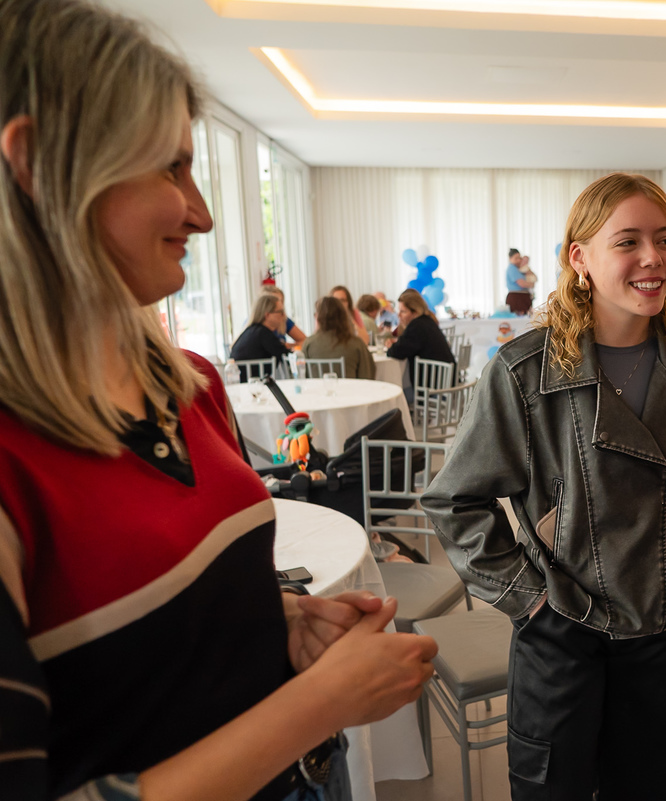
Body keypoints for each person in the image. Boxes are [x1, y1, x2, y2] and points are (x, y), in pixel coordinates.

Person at [0, 2, 438, 799]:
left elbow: (167, 628)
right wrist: (322, 702)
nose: (200, 213)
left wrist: (283, 622)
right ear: (37, 165)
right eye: (169, 168)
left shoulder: (192, 386)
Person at [422, 173, 666, 801]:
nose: (654, 258)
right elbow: (455, 500)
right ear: (581, 259)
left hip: (665, 636)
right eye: (628, 241)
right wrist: (532, 600)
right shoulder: (525, 371)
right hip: (561, 639)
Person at [385, 288, 456, 405]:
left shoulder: (416, 326)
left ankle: (410, 421)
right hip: (445, 383)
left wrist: (393, 345)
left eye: (403, 311)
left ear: (415, 312)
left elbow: (396, 352)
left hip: (433, 389)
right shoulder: (427, 321)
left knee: (394, 396)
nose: (398, 315)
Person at [301, 297, 376, 380]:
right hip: (351, 391)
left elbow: (303, 375)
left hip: (317, 392)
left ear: (318, 318)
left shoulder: (309, 344)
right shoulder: (356, 344)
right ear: (344, 316)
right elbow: (368, 375)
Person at [230, 293, 292, 380]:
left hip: (242, 385)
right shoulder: (263, 334)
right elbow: (288, 358)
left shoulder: (250, 331)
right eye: (280, 312)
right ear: (267, 315)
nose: (284, 316)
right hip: (256, 385)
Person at [505, 247, 534, 314]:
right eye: (516, 258)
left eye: (519, 258)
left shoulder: (521, 268)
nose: (518, 260)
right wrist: (531, 284)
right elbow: (522, 283)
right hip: (516, 298)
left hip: (524, 297)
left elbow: (533, 277)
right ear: (510, 259)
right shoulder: (512, 268)